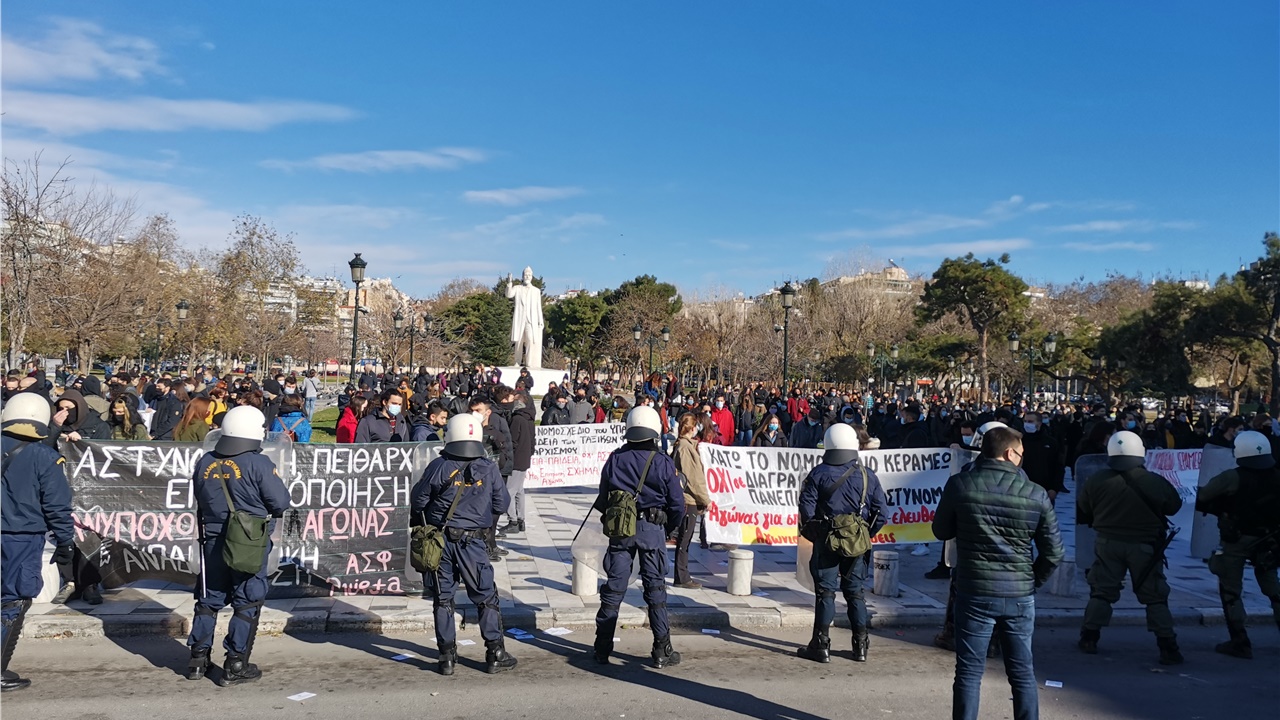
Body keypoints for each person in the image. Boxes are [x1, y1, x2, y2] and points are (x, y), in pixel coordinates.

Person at [932, 426, 1064, 720]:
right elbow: (1054, 552)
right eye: (1021, 454)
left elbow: (940, 530)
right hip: (1018, 593)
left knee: (968, 671)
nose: (1022, 460)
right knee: (1022, 672)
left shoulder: (960, 484)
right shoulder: (1035, 493)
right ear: (1009, 453)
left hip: (974, 589)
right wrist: (1031, 581)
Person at [185, 405, 290, 686]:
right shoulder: (259, 464)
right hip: (247, 541)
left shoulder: (205, 460)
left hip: (211, 539)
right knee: (247, 601)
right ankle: (235, 664)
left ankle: (197, 659)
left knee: (208, 600)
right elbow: (280, 503)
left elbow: (198, 495)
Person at [412, 413, 516, 675]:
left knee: (443, 598)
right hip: (473, 543)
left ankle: (446, 657)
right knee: (485, 598)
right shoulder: (489, 468)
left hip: (441, 542)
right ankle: (495, 652)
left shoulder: (439, 466)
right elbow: (501, 504)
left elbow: (418, 500)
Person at [1076, 430, 1183, 665]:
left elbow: (1084, 507)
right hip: (1144, 547)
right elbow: (1174, 506)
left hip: (1107, 544)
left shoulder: (1097, 480)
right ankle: (1167, 645)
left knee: (1102, 592)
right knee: (1154, 597)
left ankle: (1089, 637)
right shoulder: (1153, 481)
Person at [592, 406, 685, 668]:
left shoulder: (615, 459)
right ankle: (661, 650)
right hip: (651, 531)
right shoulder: (662, 462)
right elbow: (677, 504)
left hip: (621, 531)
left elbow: (603, 496)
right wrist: (668, 528)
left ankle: (602, 648)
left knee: (613, 591)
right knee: (655, 591)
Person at [796, 424, 888, 664]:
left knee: (825, 592)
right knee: (855, 593)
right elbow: (882, 512)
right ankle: (860, 646)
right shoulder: (868, 474)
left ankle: (821, 645)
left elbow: (806, 511)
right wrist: (865, 534)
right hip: (857, 543)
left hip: (826, 541)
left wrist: (817, 535)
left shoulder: (818, 474)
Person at [2, 393, 75, 692]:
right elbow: (57, 504)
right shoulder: (44, 456)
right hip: (21, 538)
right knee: (12, 600)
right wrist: (66, 542)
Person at [1196, 430, 1280, 659]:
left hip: (1236, 540)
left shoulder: (1233, 477)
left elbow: (1204, 496)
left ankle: (1239, 640)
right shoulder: (1277, 476)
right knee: (1274, 589)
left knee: (1230, 589)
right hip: (1268, 541)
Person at [672, 412, 710, 589]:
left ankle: (682, 574)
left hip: (690, 498)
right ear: (692, 428)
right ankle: (682, 576)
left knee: (685, 538)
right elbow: (693, 478)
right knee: (685, 538)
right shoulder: (685, 448)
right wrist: (705, 498)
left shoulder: (687, 445)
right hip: (689, 499)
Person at [498, 388, 535, 536]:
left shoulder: (517, 419)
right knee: (519, 490)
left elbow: (512, 440)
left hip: (516, 459)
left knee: (510, 491)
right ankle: (521, 519)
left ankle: (512, 520)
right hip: (524, 458)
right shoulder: (529, 418)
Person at [1021, 411, 1066, 504]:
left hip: (1045, 490)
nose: (1027, 424)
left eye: (1030, 421)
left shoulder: (1051, 442)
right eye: (1025, 421)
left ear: (1039, 423)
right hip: (1022, 489)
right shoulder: (1019, 441)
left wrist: (1054, 488)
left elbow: (1058, 466)